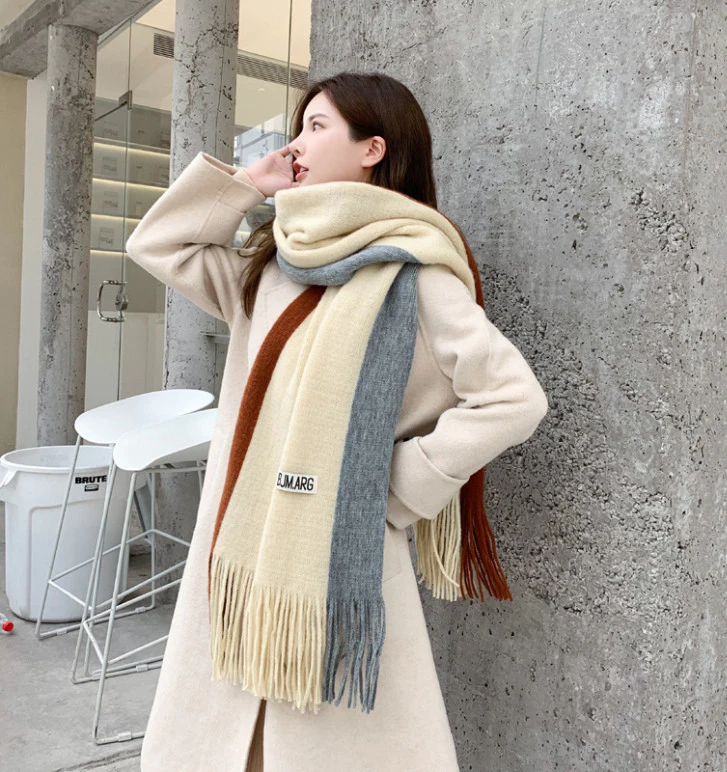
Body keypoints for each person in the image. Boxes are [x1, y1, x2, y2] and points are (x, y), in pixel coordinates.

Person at [126, 71, 549, 772]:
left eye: (317, 127)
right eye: (299, 127)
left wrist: (399, 486)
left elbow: (513, 399)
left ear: (372, 148)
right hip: (242, 545)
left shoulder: (418, 276)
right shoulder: (271, 267)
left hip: (342, 550)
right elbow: (160, 245)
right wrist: (246, 187)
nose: (297, 142)